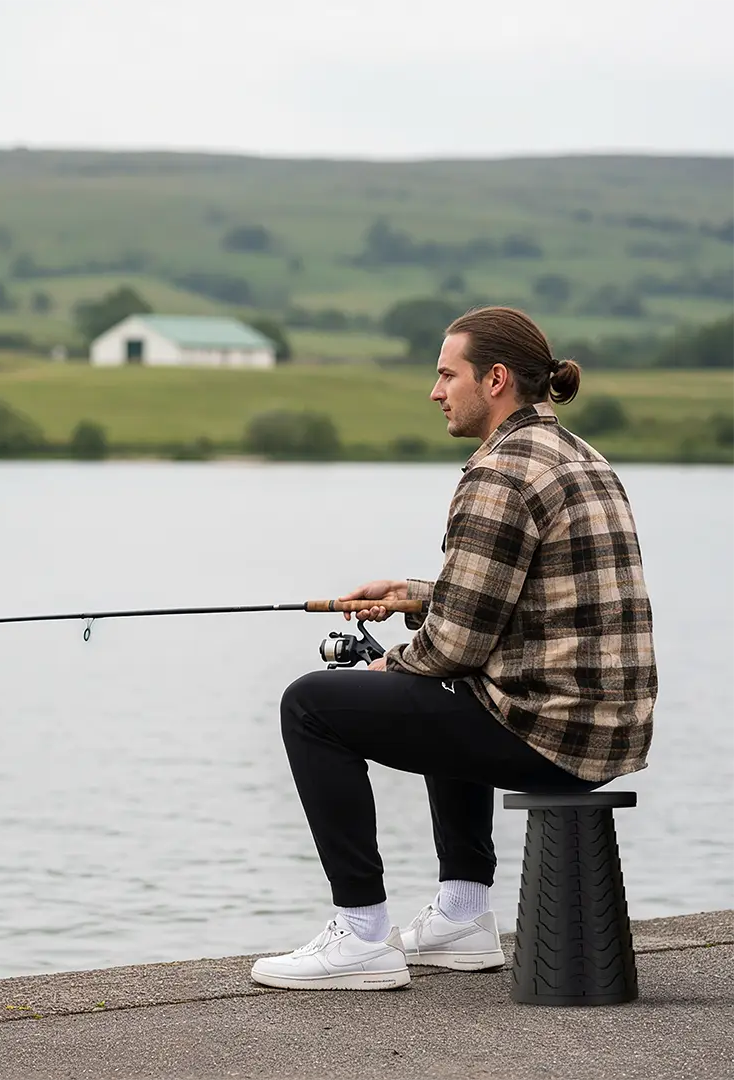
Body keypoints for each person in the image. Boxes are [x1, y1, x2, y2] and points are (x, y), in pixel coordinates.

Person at [251, 306, 658, 991]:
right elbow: (509, 593)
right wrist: (414, 592)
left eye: (447, 374)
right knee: (450, 690)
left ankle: (358, 934)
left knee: (312, 704)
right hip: (608, 734)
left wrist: (391, 665)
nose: (435, 391)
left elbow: (456, 648)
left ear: (494, 379)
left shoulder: (497, 473)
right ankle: (464, 918)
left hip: (552, 737)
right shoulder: (580, 456)